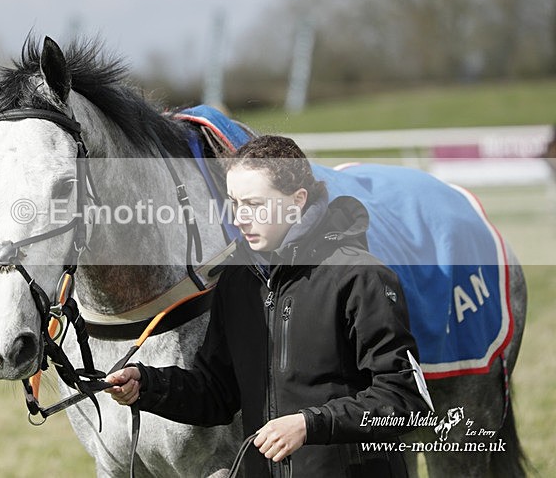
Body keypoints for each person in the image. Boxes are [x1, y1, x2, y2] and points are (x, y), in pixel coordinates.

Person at [105, 135, 429, 477]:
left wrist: (309, 425)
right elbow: (217, 392)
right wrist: (147, 385)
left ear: (297, 201)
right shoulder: (237, 281)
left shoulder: (361, 276)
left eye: (254, 204)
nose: (240, 218)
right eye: (235, 203)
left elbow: (404, 398)